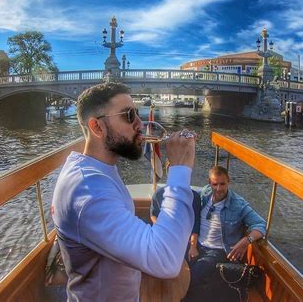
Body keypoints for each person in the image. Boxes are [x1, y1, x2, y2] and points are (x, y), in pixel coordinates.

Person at [52, 82, 197, 301]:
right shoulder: (88, 191)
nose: (140, 123)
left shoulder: (100, 169)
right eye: (129, 115)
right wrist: (180, 170)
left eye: (137, 113)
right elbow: (166, 259)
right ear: (97, 127)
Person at [186, 165, 266, 299]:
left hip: (218, 251)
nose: (218, 189)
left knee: (192, 277)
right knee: (175, 266)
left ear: (229, 181)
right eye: (215, 184)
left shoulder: (238, 205)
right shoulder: (205, 193)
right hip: (197, 245)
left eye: (222, 184)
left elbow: (261, 225)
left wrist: (247, 240)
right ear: (209, 183)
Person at [150, 185, 201, 262]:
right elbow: (153, 215)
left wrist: (193, 247)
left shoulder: (194, 197)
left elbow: (196, 224)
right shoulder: (159, 194)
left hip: (185, 240)